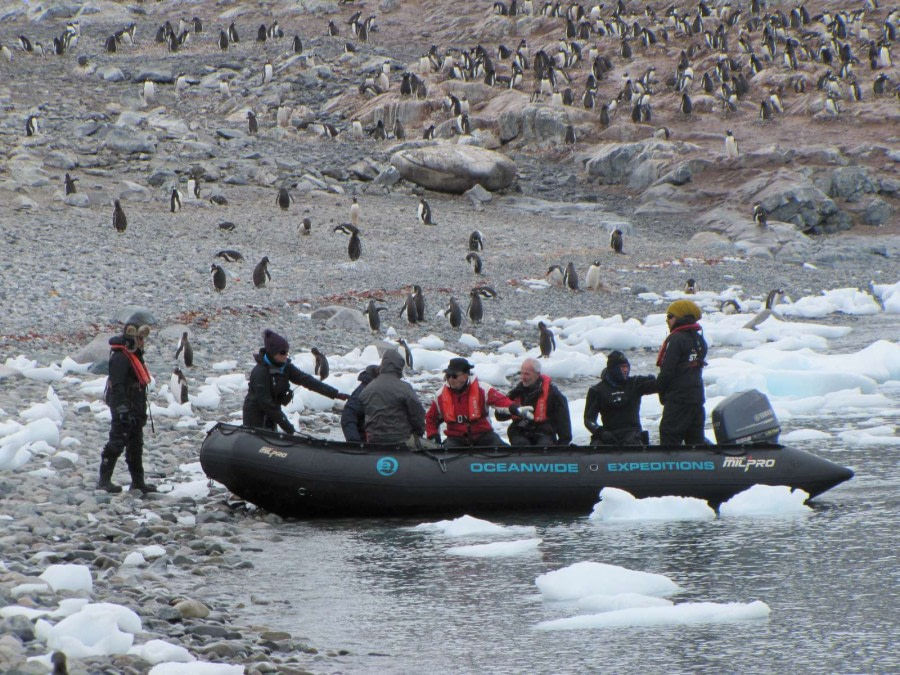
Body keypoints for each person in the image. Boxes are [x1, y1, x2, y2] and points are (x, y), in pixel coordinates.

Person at [242, 329, 348, 434]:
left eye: (287, 351)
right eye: (282, 352)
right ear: (272, 353)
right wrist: (289, 428)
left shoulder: (285, 367)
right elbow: (266, 403)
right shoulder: (260, 372)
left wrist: (335, 394)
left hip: (273, 415)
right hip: (256, 415)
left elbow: (307, 381)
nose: (286, 355)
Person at [425, 357, 534, 448]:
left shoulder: (483, 389)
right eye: (448, 376)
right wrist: (433, 435)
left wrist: (516, 409)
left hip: (484, 436)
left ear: (465, 376)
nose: (451, 379)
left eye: (454, 376)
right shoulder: (440, 395)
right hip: (456, 439)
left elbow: (501, 402)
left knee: (505, 451)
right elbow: (431, 418)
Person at [99, 323, 154, 493]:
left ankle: (138, 482)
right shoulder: (120, 357)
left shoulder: (134, 355)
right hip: (124, 406)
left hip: (135, 406)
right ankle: (104, 480)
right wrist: (122, 408)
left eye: (142, 339)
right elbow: (118, 385)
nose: (142, 342)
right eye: (139, 338)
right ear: (131, 338)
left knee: (135, 444)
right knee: (117, 442)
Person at [656, 300, 708, 445]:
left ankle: (671, 467)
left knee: (669, 436)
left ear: (679, 317)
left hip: (678, 400)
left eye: (670, 316)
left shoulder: (676, 339)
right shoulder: (699, 339)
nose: (667, 320)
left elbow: (667, 371)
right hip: (696, 399)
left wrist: (659, 389)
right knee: (695, 441)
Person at [584, 350, 658, 446]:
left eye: (627, 367)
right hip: (609, 435)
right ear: (613, 368)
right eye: (622, 367)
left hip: (632, 434)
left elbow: (659, 385)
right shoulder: (597, 390)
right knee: (598, 445)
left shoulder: (635, 384)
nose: (626, 370)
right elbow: (588, 420)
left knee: (633, 441)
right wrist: (600, 432)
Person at [359, 349, 431, 447]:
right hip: (400, 440)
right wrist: (419, 432)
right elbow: (417, 414)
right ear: (399, 367)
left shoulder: (367, 389)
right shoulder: (404, 388)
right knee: (431, 447)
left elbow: (361, 413)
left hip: (374, 439)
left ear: (382, 365)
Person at [500, 357, 572, 446]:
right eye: (521, 373)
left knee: (543, 445)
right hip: (520, 431)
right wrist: (513, 408)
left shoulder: (553, 394)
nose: (523, 377)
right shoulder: (516, 392)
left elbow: (563, 420)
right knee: (521, 444)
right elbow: (499, 416)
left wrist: (563, 443)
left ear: (537, 374)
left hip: (543, 431)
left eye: (527, 374)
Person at [341, 364, 379, 442]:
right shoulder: (364, 391)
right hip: (365, 442)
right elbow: (348, 415)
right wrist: (355, 442)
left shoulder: (368, 389)